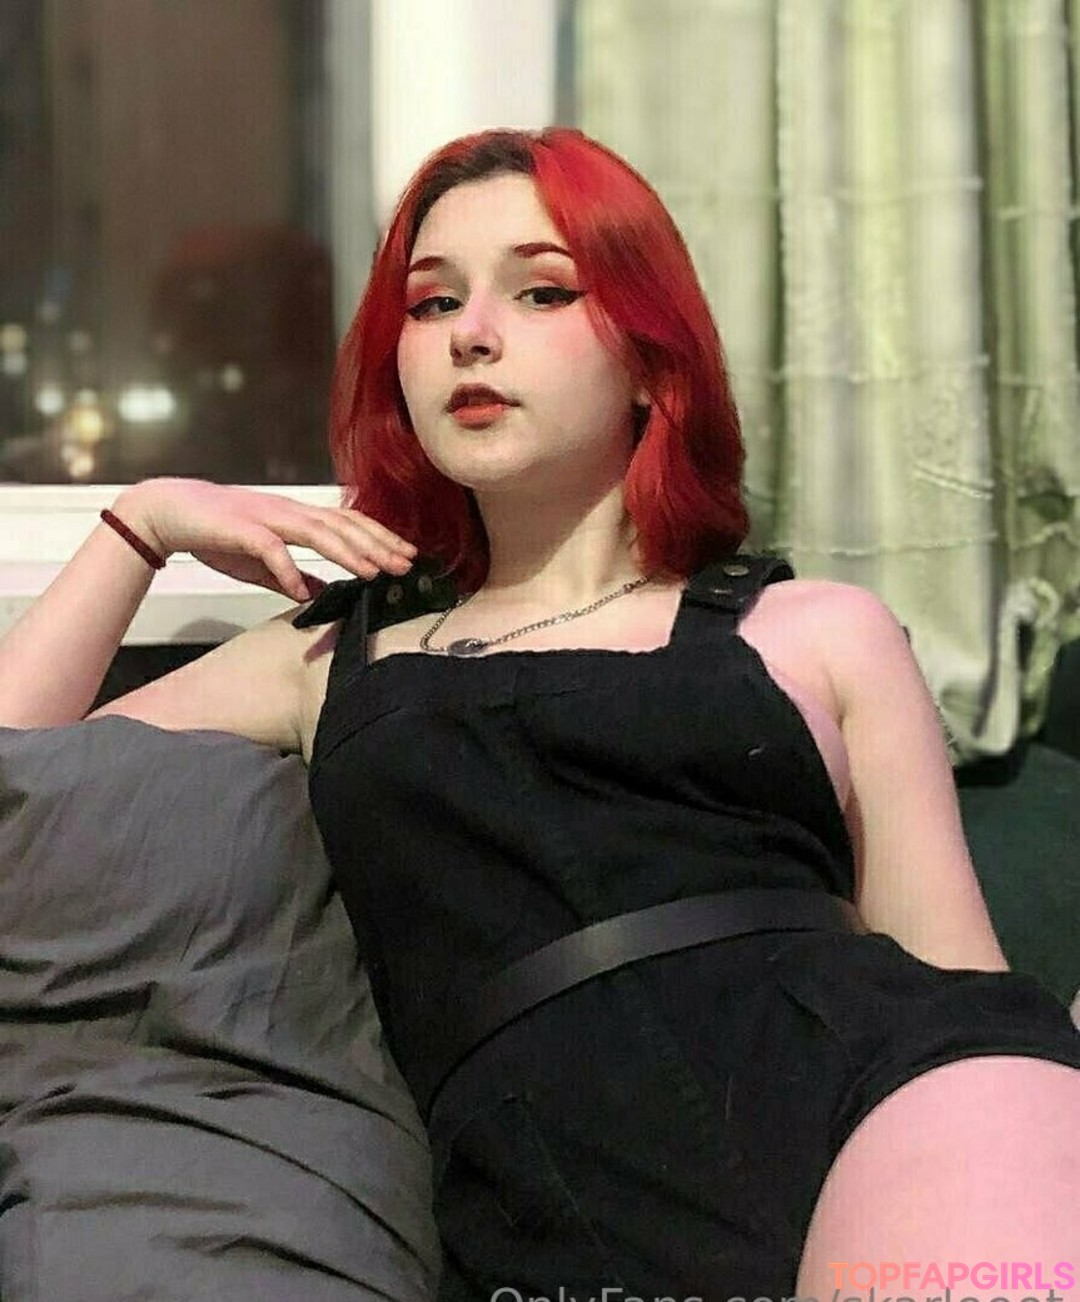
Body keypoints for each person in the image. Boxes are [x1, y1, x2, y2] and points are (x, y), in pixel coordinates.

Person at [2, 126, 1078, 1301]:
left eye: (543, 291)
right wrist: (143, 525)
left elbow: (956, 973)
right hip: (549, 1200)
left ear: (651, 360)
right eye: (432, 303)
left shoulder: (818, 630)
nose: (471, 332)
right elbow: (20, 784)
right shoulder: (328, 657)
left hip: (905, 1104)